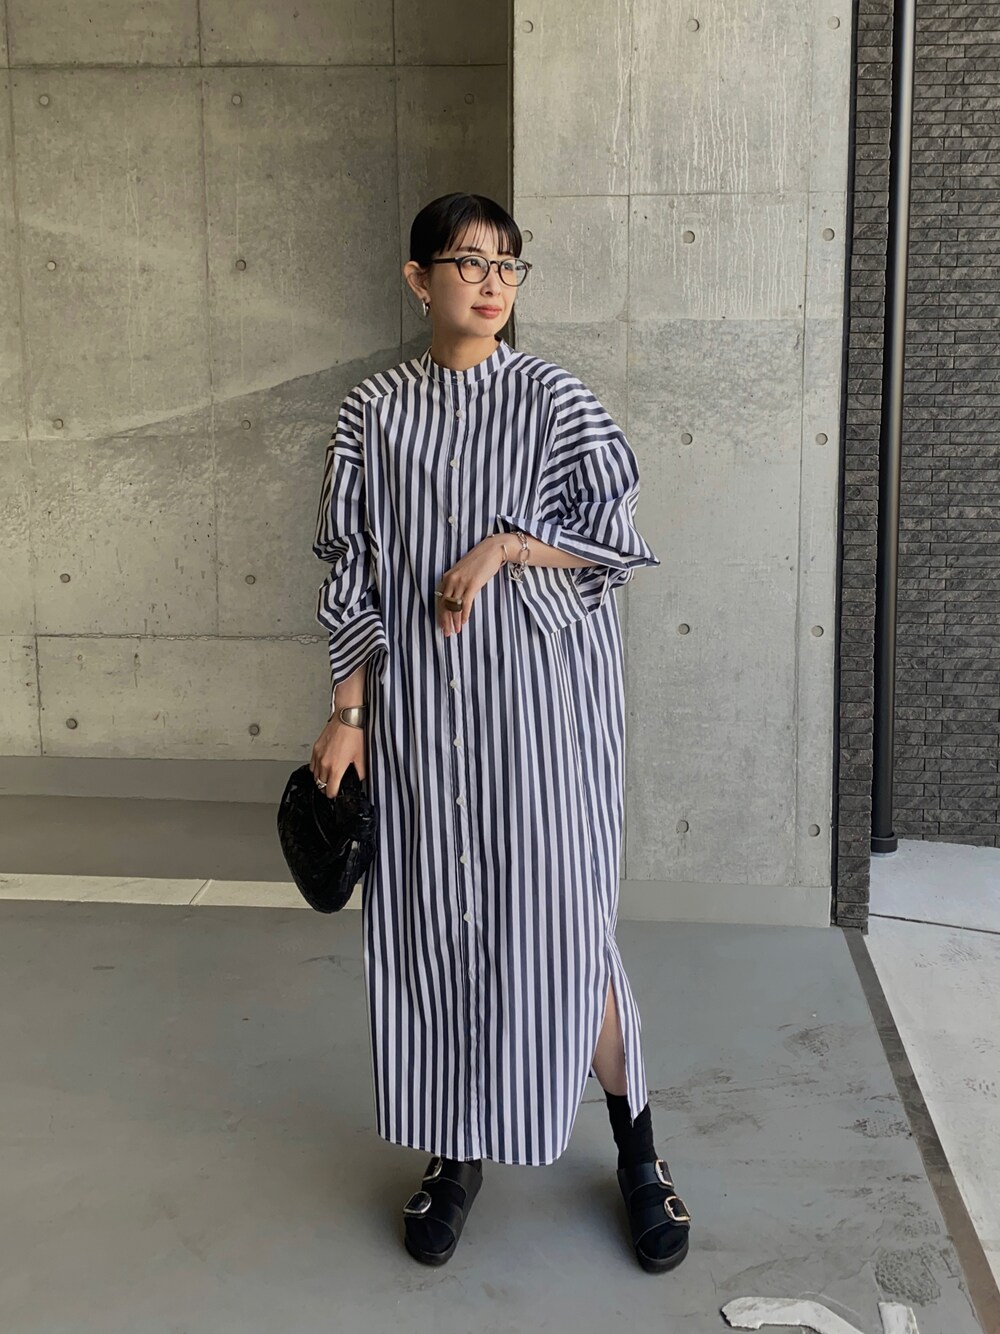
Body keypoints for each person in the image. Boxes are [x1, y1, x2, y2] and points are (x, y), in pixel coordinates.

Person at [308, 192, 691, 1273]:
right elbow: (350, 570)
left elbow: (614, 537)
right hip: (422, 720)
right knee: (436, 926)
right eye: (468, 262)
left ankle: (638, 1150)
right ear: (417, 278)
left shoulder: (555, 400)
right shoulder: (372, 413)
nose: (491, 283)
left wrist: (508, 545)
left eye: (508, 266)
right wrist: (347, 713)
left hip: (542, 716)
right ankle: (456, 1152)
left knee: (563, 928)